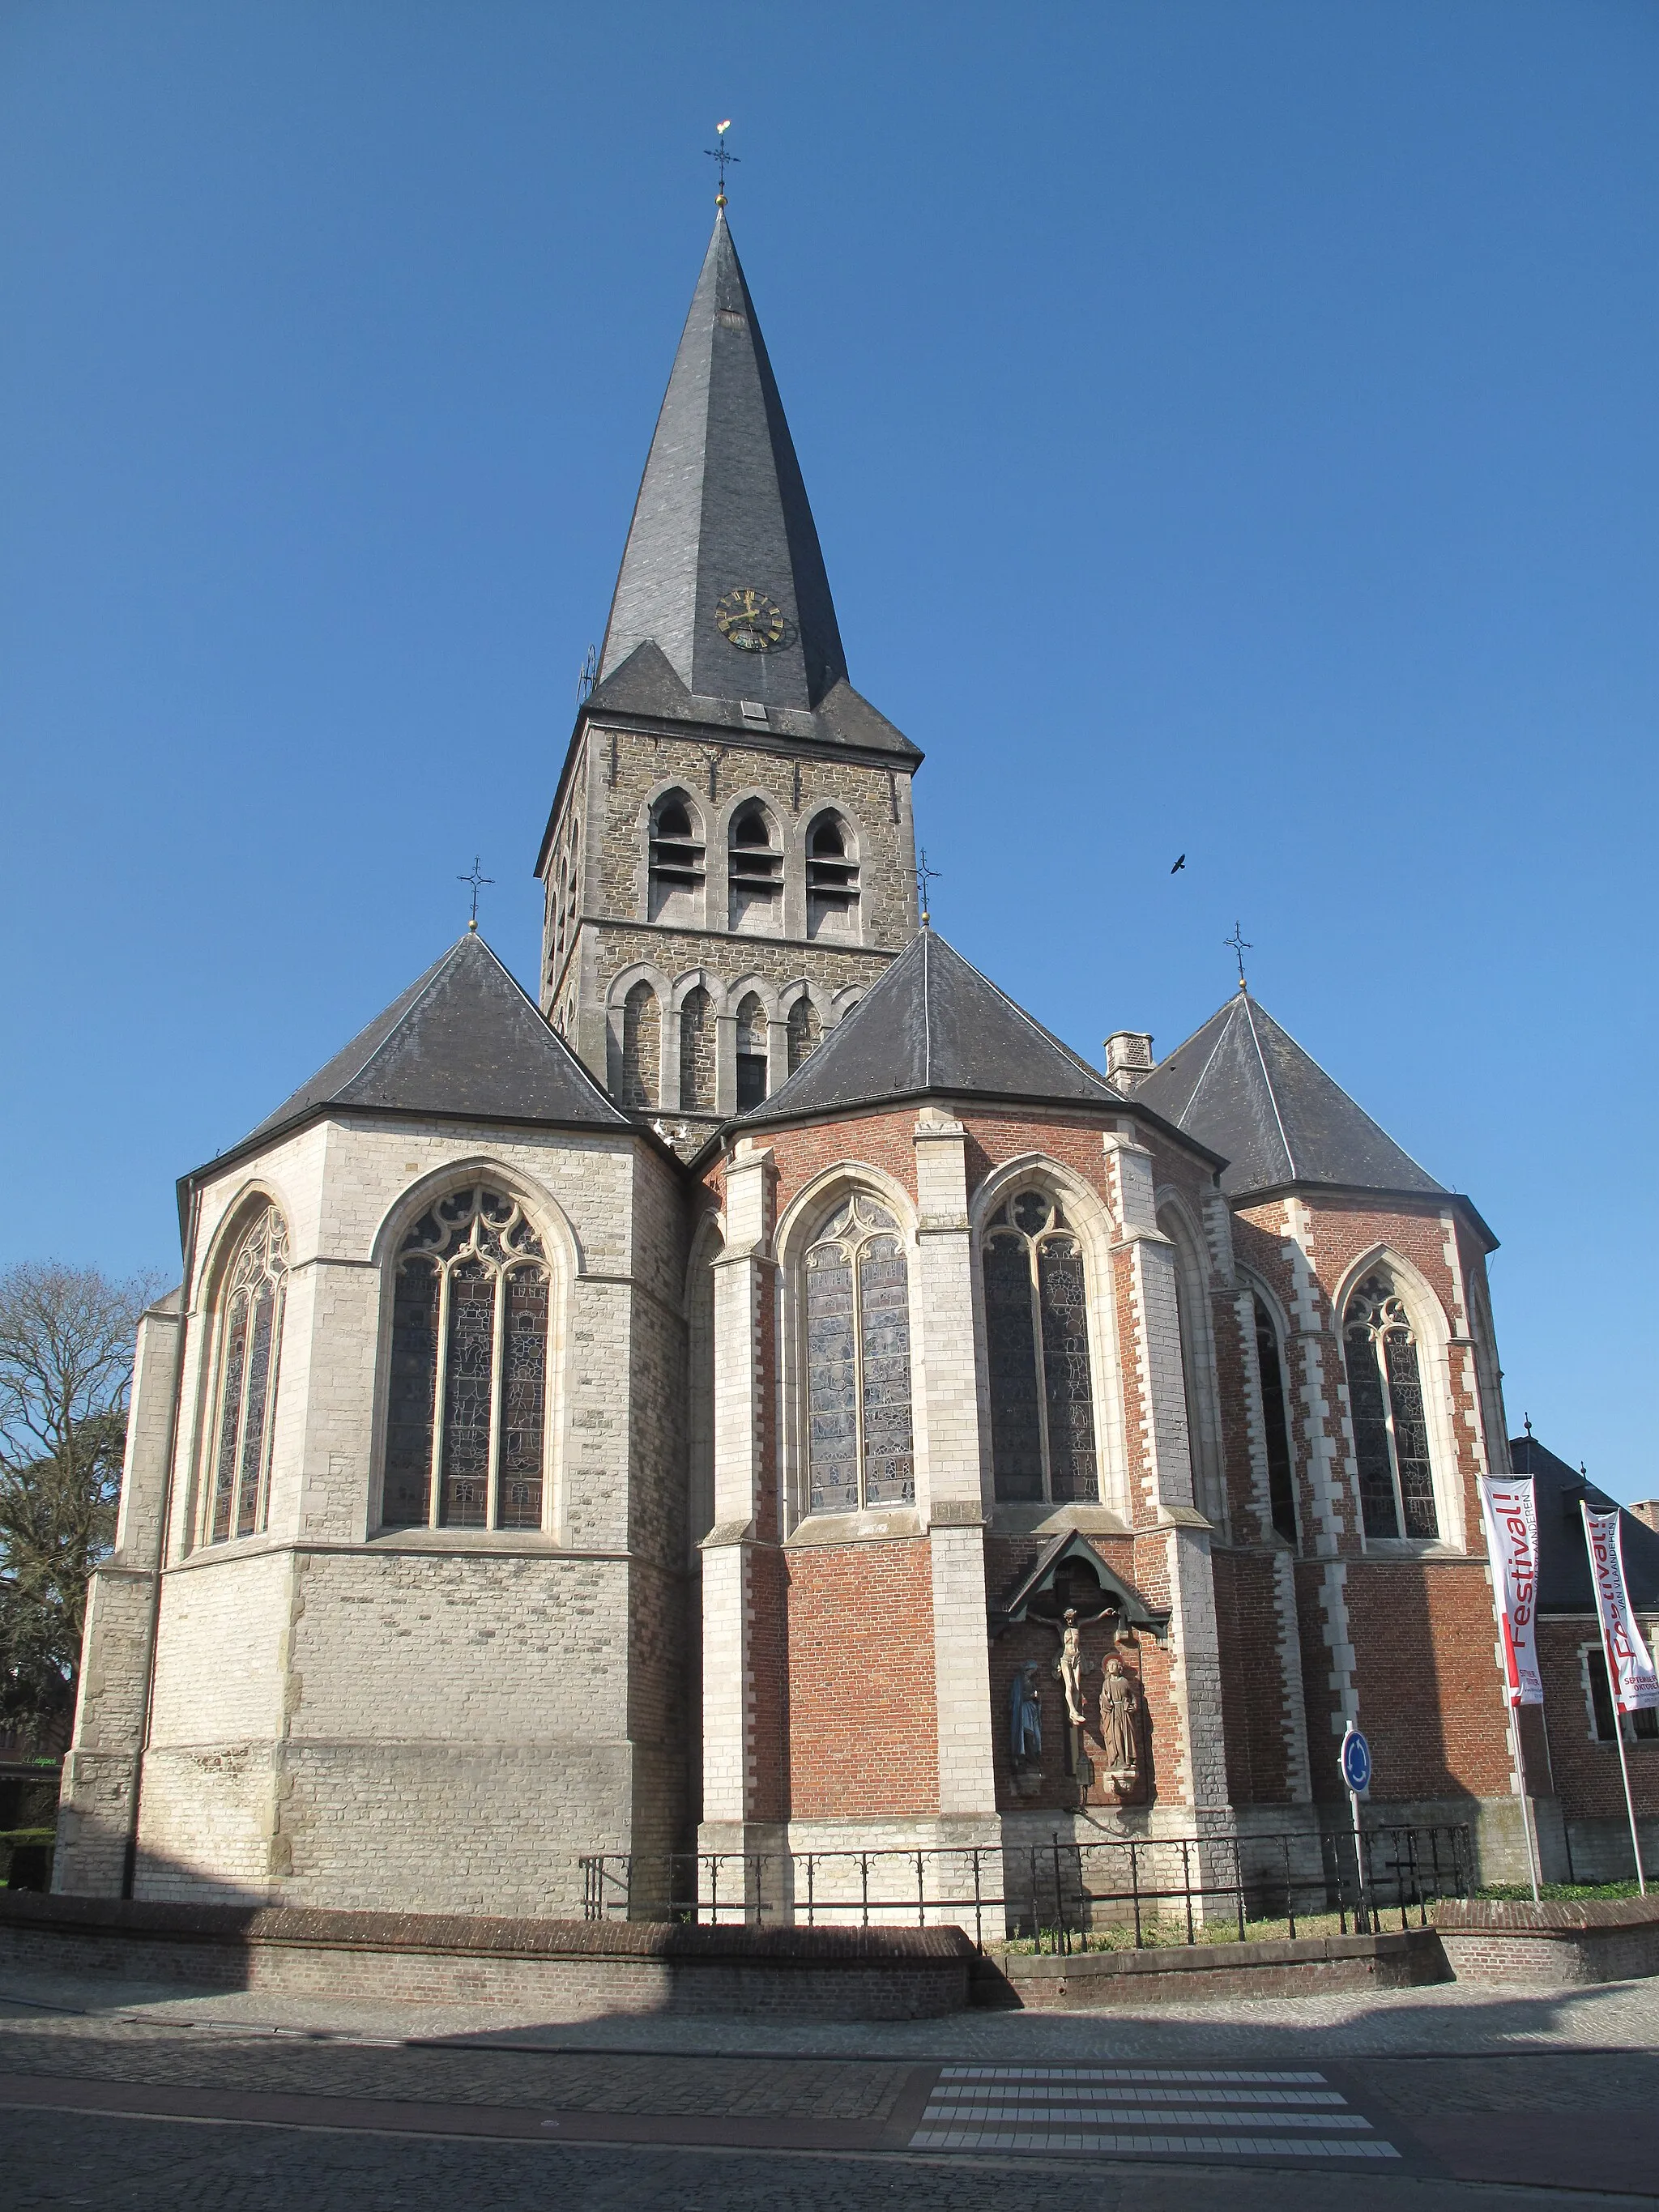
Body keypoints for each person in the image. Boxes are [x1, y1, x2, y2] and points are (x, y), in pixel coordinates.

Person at [1100, 1655, 1142, 1778]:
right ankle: (1117, 1760)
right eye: (1109, 1665)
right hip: (1112, 1714)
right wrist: (1107, 1702)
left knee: (1126, 1736)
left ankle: (1127, 1761)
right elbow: (1102, 1700)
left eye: (1114, 1665)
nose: (1111, 1667)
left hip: (1124, 1714)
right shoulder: (1106, 1683)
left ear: (1119, 1668)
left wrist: (1132, 1706)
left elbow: (1133, 1697)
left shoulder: (1124, 1682)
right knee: (1115, 1736)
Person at [1009, 1662, 1043, 1766]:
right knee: (1027, 1733)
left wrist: (1037, 1697)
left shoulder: (1030, 1682)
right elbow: (1017, 1698)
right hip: (1024, 1710)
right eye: (1032, 1671)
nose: (1033, 1673)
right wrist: (1031, 1695)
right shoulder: (1019, 1682)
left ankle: (1034, 1755)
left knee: (1036, 1735)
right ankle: (1027, 1756)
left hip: (1033, 1710)